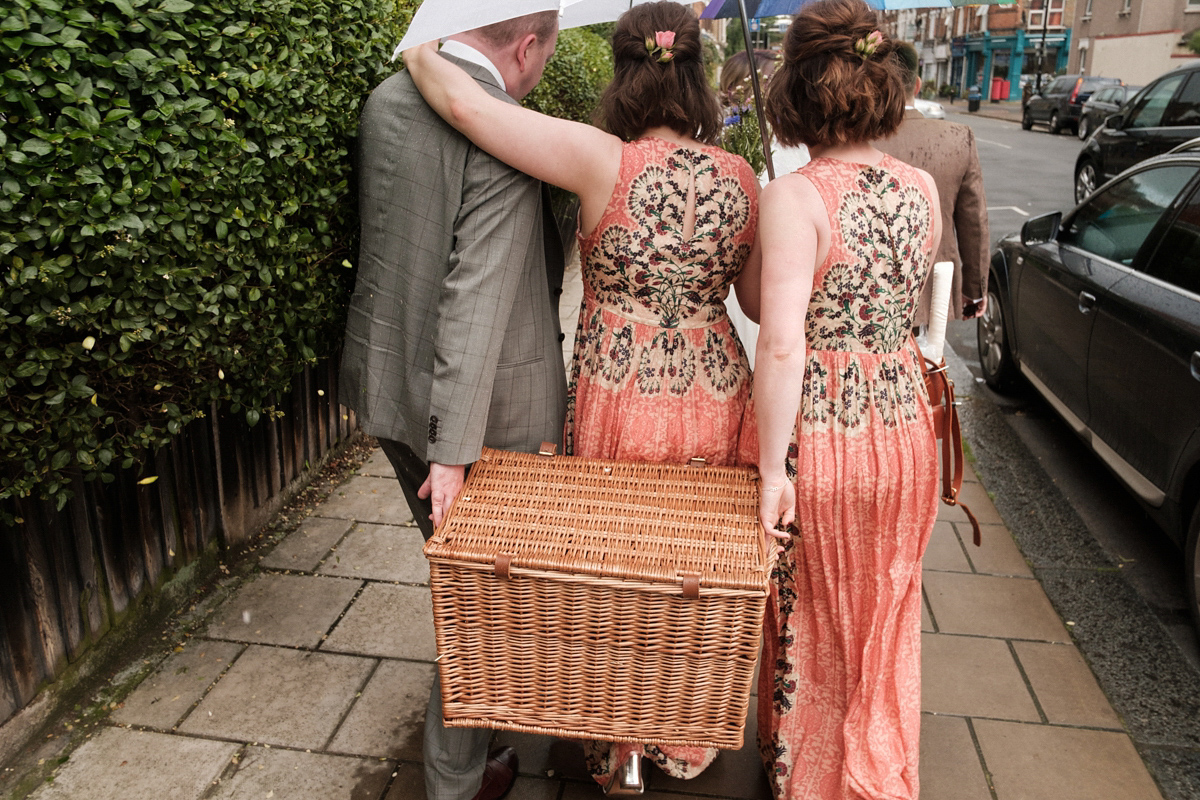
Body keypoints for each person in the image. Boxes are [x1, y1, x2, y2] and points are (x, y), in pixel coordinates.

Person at [403, 2, 760, 793]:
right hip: (714, 390)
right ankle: (683, 734)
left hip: (621, 391)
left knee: (615, 575)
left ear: (623, 74)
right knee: (693, 575)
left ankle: (616, 736)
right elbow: (764, 303)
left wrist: (419, 48)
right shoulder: (741, 177)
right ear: (699, 75)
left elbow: (468, 104)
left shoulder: (599, 159)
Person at [338, 12, 566, 800]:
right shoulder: (504, 128)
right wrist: (454, 453)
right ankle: (458, 782)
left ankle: (475, 755)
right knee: (483, 609)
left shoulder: (385, 99)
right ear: (527, 45)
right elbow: (473, 298)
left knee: (465, 597)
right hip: (481, 422)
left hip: (388, 388)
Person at [749, 1, 942, 797]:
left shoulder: (797, 198)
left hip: (825, 430)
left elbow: (782, 341)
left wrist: (768, 470)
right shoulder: (923, 186)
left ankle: (813, 775)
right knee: (887, 607)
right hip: (903, 427)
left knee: (812, 613)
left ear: (798, 90)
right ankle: (878, 765)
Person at [876, 41, 990, 325]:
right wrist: (975, 289)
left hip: (873, 294)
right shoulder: (958, 137)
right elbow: (973, 222)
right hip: (934, 291)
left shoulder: (854, 140)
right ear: (917, 85)